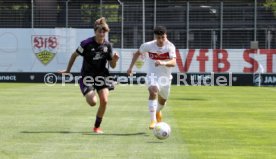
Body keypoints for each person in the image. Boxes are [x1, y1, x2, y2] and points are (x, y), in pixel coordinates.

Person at [59, 17, 119, 134]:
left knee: (105, 101)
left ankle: (96, 127)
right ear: (95, 32)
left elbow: (112, 66)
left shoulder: (108, 46)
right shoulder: (86, 43)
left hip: (102, 76)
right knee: (93, 102)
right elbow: (74, 55)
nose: (102, 34)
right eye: (99, 31)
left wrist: (115, 60)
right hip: (87, 77)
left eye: (104, 31)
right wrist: (68, 70)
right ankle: (89, 92)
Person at [127, 26, 176, 129]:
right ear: (155, 37)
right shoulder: (148, 45)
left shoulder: (170, 47)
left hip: (165, 79)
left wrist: (162, 62)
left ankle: (157, 111)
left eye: (163, 37)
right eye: (158, 38)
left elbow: (174, 63)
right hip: (152, 76)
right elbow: (137, 53)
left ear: (166, 35)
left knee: (162, 103)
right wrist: (130, 68)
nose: (161, 40)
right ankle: (153, 121)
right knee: (153, 91)